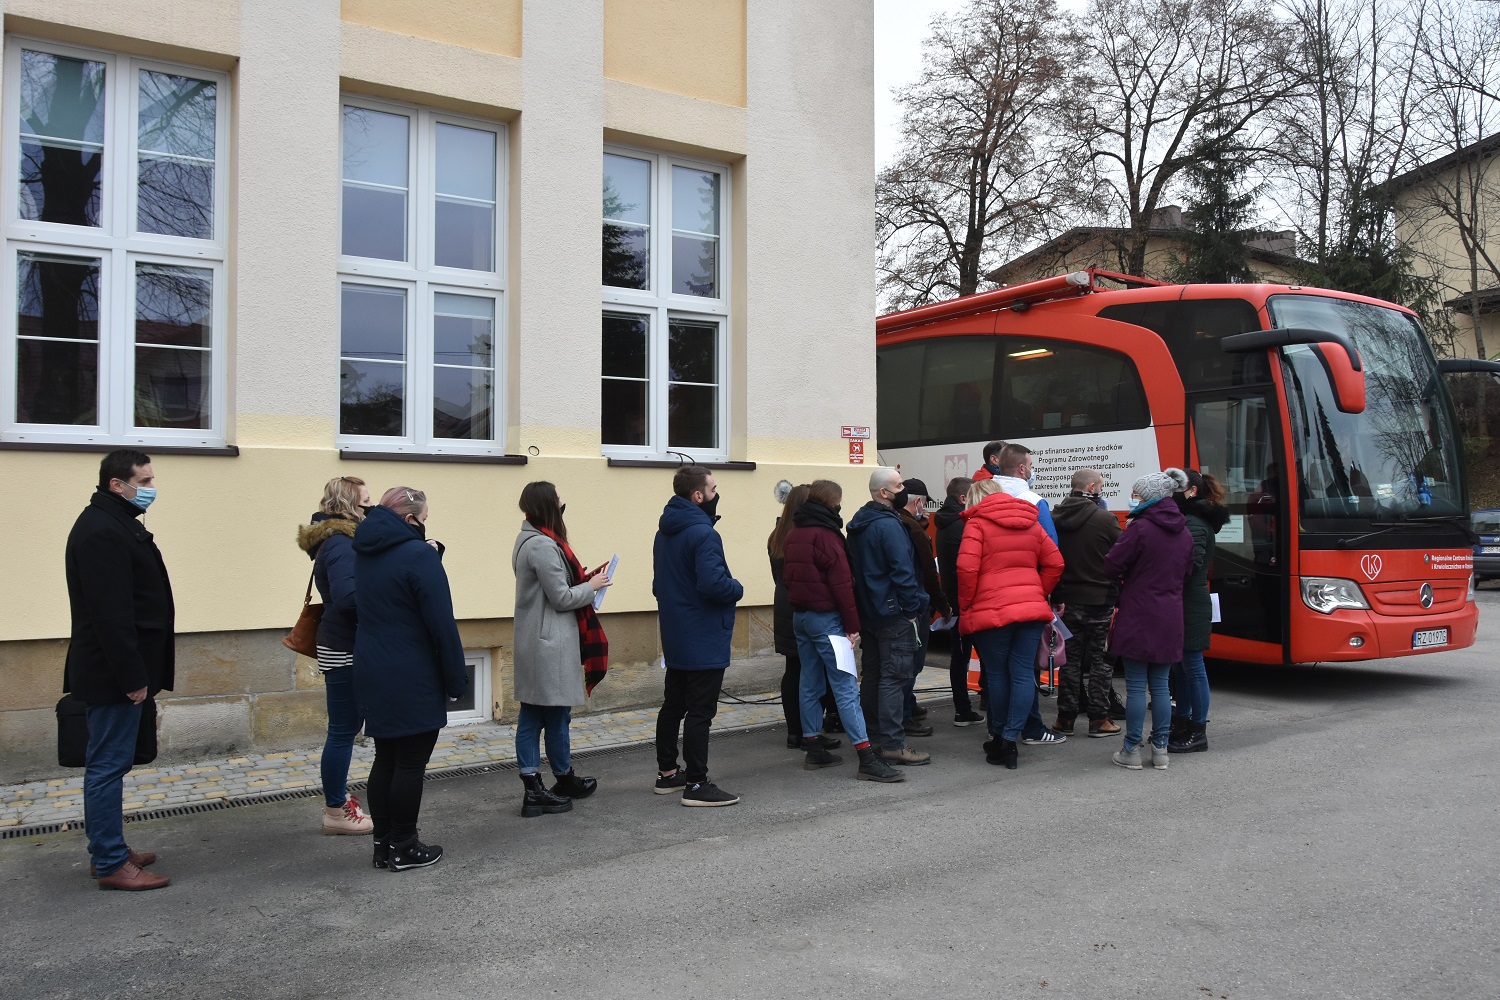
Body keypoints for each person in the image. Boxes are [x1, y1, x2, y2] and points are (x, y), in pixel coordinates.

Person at [64, 450, 174, 891]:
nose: (150, 487)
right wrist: (132, 678)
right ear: (117, 484)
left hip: (123, 668)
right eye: (143, 480)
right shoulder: (102, 531)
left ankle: (109, 848)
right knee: (107, 766)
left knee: (111, 763)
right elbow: (110, 615)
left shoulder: (115, 522)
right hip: (114, 673)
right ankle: (110, 862)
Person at [353, 487, 468, 870]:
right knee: (410, 763)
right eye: (422, 520)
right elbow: (441, 624)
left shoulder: (364, 550)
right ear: (409, 520)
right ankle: (405, 845)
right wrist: (456, 679)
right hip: (412, 670)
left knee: (386, 757)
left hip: (374, 666)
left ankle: (384, 845)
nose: (424, 526)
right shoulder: (418, 554)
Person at [782, 480, 904, 782]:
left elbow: (789, 579)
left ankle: (813, 747)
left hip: (801, 618)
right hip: (828, 620)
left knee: (810, 682)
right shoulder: (828, 536)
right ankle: (866, 757)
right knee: (846, 686)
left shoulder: (794, 533)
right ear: (832, 502)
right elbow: (842, 586)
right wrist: (852, 627)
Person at [511, 481, 612, 818]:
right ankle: (535, 788)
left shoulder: (535, 539)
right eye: (558, 500)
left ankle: (561, 778)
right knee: (540, 717)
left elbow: (560, 588)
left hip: (542, 642)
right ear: (548, 507)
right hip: (547, 644)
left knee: (552, 715)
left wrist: (585, 582)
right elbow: (562, 597)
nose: (562, 504)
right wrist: (591, 586)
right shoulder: (541, 545)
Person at [652, 466, 745, 806]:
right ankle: (696, 784)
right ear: (698, 496)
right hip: (704, 635)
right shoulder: (704, 534)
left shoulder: (664, 532)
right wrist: (737, 587)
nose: (716, 494)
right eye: (713, 488)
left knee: (674, 705)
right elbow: (713, 584)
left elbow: (657, 586)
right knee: (700, 712)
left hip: (676, 633)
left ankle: (667, 774)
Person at [957, 479, 1065, 769]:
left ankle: (1001, 738)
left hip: (991, 611)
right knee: (1021, 674)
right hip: (1030, 611)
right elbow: (1056, 563)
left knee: (997, 675)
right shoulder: (1030, 521)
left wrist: (967, 604)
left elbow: (966, 569)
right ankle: (1009, 740)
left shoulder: (977, 524)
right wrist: (1036, 592)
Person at [296, 476, 375, 836]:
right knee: (343, 731)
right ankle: (335, 811)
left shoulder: (334, 539)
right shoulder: (341, 543)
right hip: (346, 647)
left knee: (345, 729)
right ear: (347, 507)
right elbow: (348, 599)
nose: (370, 511)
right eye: (365, 504)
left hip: (343, 644)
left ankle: (337, 801)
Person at [1104, 471, 1195, 771]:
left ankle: (1130, 749)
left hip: (1139, 613)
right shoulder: (1184, 533)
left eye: (1139, 495)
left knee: (1135, 685)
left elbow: (1112, 565)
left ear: (1151, 498)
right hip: (1171, 615)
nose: (1135, 500)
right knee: (1160, 687)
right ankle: (1161, 749)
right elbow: (1188, 573)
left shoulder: (1140, 528)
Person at [847, 468, 930, 767]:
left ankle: (873, 737)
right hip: (894, 613)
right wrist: (912, 608)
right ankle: (893, 744)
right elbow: (903, 573)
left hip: (870, 612)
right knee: (894, 678)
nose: (903, 490)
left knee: (874, 676)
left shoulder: (859, 524)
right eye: (898, 486)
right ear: (884, 492)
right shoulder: (889, 526)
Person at [988, 442, 1065, 745]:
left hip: (988, 599)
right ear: (1022, 469)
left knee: (996, 671)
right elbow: (1052, 554)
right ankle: (1028, 728)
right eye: (1031, 466)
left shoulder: (982, 496)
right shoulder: (1034, 501)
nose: (1032, 471)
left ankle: (998, 729)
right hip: (1026, 598)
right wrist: (1046, 593)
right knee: (1023, 668)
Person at [1051, 468, 1123, 738]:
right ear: (1092, 487)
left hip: (1067, 601)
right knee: (1101, 661)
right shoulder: (1105, 519)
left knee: (1068, 660)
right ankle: (1098, 719)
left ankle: (1065, 719)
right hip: (1101, 601)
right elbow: (1123, 555)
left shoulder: (1054, 517)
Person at [768, 484, 837, 750]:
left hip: (784, 605)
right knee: (812, 671)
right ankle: (811, 730)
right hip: (806, 605)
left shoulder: (777, 534)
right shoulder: (806, 535)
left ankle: (794, 732)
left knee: (793, 669)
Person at [1169, 469, 1229, 754]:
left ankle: (1197, 730)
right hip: (1185, 601)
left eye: (1175, 487)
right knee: (1181, 668)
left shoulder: (1193, 521)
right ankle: (1183, 722)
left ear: (1191, 491)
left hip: (1189, 602)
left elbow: (1189, 564)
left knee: (1192, 667)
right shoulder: (1191, 519)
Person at [893, 477, 950, 736]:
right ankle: (904, 717)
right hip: (913, 606)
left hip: (901, 606)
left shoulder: (897, 523)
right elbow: (928, 572)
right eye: (924, 503)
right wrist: (942, 605)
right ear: (917, 501)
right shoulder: (912, 528)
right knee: (911, 665)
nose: (925, 508)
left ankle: (907, 708)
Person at [934, 476, 983, 726]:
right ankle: (964, 710)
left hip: (955, 601)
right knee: (968, 655)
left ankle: (963, 707)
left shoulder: (946, 523)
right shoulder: (963, 526)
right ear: (964, 499)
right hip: (967, 601)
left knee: (960, 656)